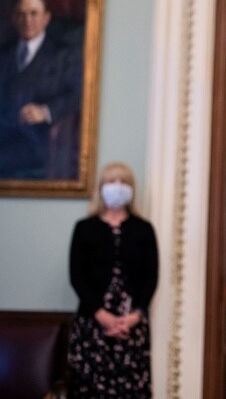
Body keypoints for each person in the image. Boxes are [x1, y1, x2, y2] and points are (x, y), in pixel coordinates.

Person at [67, 162, 159, 398]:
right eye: (111, 181)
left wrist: (135, 316)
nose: (117, 187)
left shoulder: (144, 229)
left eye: (123, 182)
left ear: (131, 190)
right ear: (101, 188)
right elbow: (76, 276)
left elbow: (152, 276)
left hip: (131, 325)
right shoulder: (84, 228)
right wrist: (102, 315)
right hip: (93, 322)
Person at [0, 0, 82, 179]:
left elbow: (78, 94)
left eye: (34, 13)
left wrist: (45, 111)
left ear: (46, 18)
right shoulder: (4, 54)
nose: (27, 20)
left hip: (39, 140)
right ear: (14, 19)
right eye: (22, 14)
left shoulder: (63, 55)